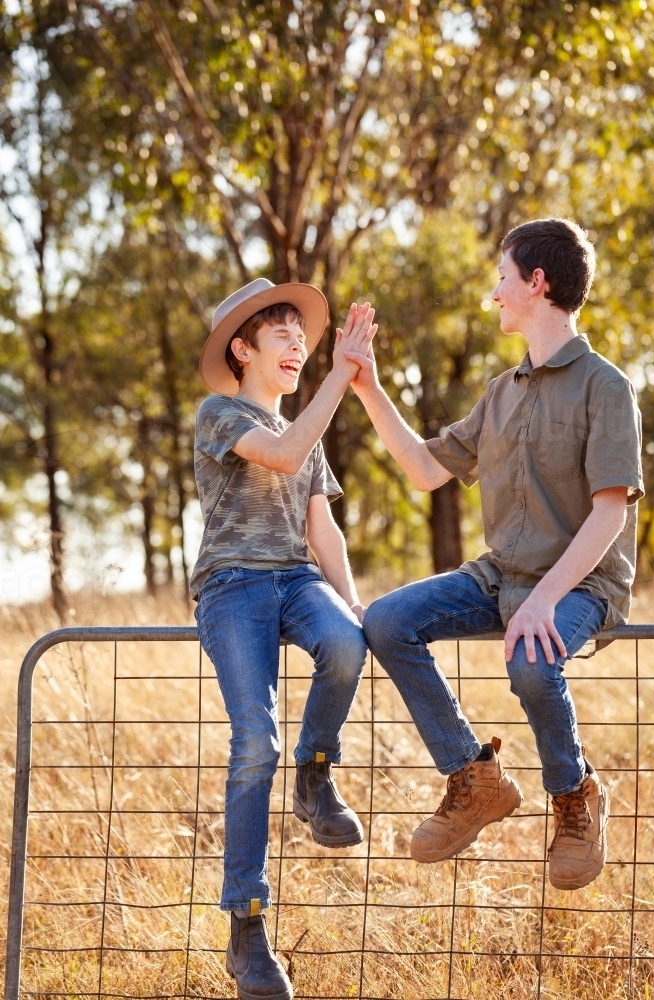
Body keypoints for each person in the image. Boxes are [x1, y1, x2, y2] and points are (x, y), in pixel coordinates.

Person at [346, 218, 643, 892]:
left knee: (530, 660)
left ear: (535, 283)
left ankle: (573, 797)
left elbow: (608, 510)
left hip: (580, 583)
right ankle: (473, 777)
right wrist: (367, 386)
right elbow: (425, 470)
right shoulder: (500, 391)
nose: (494, 292)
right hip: (498, 575)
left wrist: (542, 601)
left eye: (502, 277)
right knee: (387, 621)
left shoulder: (606, 387)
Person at [192, 278, 377, 1000]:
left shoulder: (306, 429)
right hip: (234, 586)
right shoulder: (220, 413)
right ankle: (246, 926)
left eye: (304, 338)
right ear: (243, 349)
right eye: (282, 336)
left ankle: (315, 773)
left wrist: (354, 605)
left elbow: (319, 526)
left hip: (296, 581)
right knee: (253, 743)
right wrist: (339, 375)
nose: (298, 344)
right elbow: (282, 453)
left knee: (344, 644)